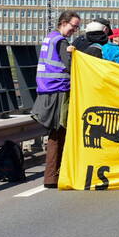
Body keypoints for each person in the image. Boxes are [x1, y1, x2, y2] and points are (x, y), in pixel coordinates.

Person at [30, 10, 80, 188]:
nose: (75, 30)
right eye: (73, 26)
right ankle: (52, 176)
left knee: (55, 132)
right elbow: (70, 66)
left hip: (46, 90)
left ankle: (52, 175)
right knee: (60, 132)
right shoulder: (61, 41)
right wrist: (75, 56)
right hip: (59, 90)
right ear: (64, 22)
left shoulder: (49, 37)